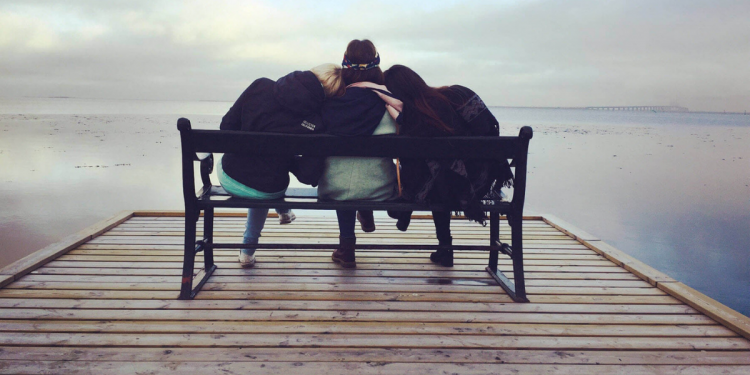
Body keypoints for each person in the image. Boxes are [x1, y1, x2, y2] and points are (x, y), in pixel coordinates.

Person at [354, 64, 514, 267]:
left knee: (437, 171)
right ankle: (439, 244)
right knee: (441, 169)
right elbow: (489, 127)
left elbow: (412, 169)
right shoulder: (457, 94)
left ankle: (441, 243)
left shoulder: (414, 120)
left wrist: (392, 108)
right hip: (481, 178)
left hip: (457, 188)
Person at [218, 64, 344, 267]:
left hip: (230, 176)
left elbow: (226, 128)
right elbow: (308, 176)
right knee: (265, 181)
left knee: (258, 172)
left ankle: (252, 246)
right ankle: (250, 247)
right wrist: (287, 159)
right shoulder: (315, 123)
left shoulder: (260, 86)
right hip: (270, 189)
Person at [317, 39, 399, 268]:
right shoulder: (389, 102)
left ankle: (346, 248)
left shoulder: (330, 102)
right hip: (379, 187)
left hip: (333, 187)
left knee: (344, 176)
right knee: (365, 169)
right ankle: (365, 210)